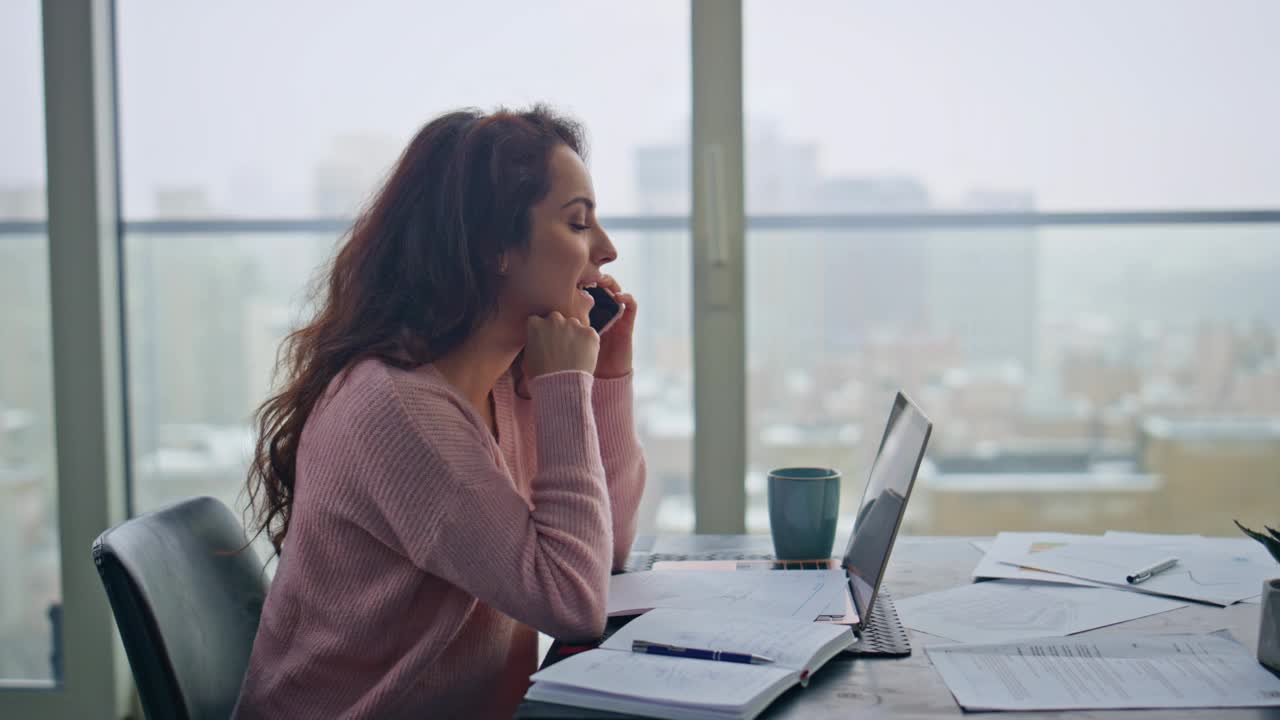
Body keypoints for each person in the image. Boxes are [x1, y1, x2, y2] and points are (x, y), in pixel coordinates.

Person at [232, 105, 646, 719]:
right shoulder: (399, 414)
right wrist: (565, 385)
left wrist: (605, 379)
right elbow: (572, 601)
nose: (606, 250)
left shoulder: (509, 383)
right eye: (578, 224)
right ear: (494, 246)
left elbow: (602, 549)